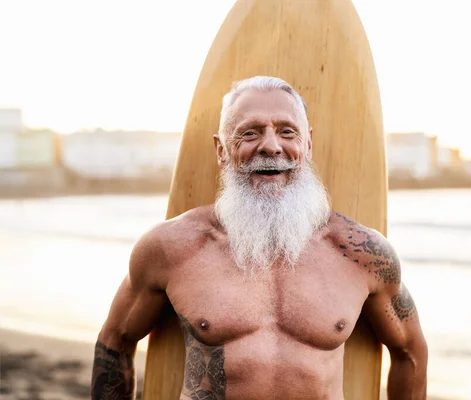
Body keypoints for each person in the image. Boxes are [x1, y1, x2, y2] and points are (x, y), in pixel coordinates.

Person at [91, 76, 428, 400]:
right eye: (249, 133)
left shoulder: (362, 253)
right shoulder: (171, 247)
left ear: (307, 145)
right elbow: (115, 341)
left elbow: (409, 351)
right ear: (221, 150)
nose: (270, 146)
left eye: (287, 132)